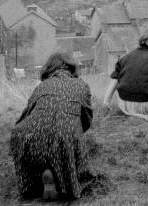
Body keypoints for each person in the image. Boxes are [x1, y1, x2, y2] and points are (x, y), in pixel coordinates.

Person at [10, 53, 93, 200]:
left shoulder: (41, 86)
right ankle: (61, 176)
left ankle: (37, 178)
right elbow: (86, 118)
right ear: (72, 67)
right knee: (68, 140)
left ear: (49, 68)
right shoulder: (82, 85)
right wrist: (77, 133)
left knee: (30, 141)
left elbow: (26, 114)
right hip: (64, 133)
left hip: (30, 133)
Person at [103, 28, 148, 123]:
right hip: (145, 106)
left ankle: (143, 108)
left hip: (125, 105)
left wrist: (106, 102)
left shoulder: (126, 57)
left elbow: (115, 78)